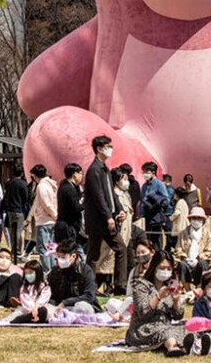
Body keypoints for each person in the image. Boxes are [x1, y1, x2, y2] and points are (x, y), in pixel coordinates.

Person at [84, 136, 127, 291]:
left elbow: (111, 194)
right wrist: (108, 216)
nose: (110, 149)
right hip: (98, 220)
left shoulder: (105, 169)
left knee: (119, 248)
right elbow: (98, 197)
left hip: (108, 218)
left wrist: (120, 209)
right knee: (94, 255)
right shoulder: (94, 170)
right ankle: (89, 285)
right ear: (99, 148)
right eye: (108, 146)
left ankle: (119, 284)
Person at [124, 250, 187, 356]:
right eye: (162, 268)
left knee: (187, 328)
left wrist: (176, 301)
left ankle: (184, 345)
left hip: (165, 325)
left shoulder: (170, 287)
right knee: (166, 331)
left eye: (168, 269)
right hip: (143, 328)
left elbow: (178, 316)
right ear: (154, 268)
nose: (165, 271)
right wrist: (158, 297)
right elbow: (143, 312)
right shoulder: (142, 286)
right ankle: (172, 347)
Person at [105, 237, 156, 321]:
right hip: (133, 304)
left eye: (143, 252)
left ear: (152, 252)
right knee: (111, 302)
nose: (140, 255)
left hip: (149, 304)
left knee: (130, 300)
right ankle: (128, 317)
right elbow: (129, 293)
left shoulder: (155, 270)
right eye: (138, 253)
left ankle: (119, 315)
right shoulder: (134, 271)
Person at [47, 238, 100, 314]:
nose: (60, 260)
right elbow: (51, 294)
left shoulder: (85, 270)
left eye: (63, 257)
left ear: (73, 256)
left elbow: (89, 296)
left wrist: (66, 303)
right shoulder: (55, 271)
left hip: (79, 307)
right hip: (58, 308)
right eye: (58, 257)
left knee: (81, 308)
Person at [172, 207, 211, 288]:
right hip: (186, 260)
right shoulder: (183, 233)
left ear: (203, 220)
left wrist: (199, 258)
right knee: (182, 265)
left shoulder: (208, 234)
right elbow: (178, 249)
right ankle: (186, 288)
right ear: (190, 219)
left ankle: (200, 287)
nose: (196, 220)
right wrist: (185, 257)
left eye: (199, 218)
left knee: (203, 264)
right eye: (194, 218)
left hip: (201, 261)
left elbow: (210, 250)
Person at [28, 164, 58, 271]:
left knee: (43, 249)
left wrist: (54, 216)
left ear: (36, 176)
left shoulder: (41, 186)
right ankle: (52, 270)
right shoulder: (51, 185)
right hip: (50, 220)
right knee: (51, 247)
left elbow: (46, 204)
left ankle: (47, 271)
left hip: (44, 220)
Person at [140, 162, 171, 249]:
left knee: (155, 240)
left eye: (147, 172)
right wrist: (141, 216)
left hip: (156, 217)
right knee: (146, 239)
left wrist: (157, 205)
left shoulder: (159, 184)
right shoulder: (144, 186)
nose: (144, 174)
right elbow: (142, 201)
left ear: (153, 172)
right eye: (143, 172)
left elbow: (166, 200)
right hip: (146, 216)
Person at [2, 165, 29, 262]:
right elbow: (26, 197)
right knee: (18, 231)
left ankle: (13, 249)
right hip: (19, 210)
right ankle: (17, 251)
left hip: (9, 210)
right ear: (22, 174)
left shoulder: (8, 183)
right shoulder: (23, 184)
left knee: (11, 231)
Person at [55, 163, 84, 248]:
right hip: (67, 227)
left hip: (65, 225)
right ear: (75, 174)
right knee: (67, 251)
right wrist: (86, 203)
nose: (82, 176)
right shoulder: (69, 189)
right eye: (81, 174)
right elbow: (76, 207)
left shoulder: (65, 186)